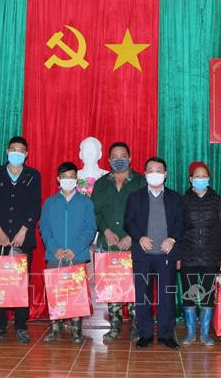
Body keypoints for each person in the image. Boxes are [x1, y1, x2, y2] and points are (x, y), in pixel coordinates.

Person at [0, 136, 41, 344]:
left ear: (26, 154)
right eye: (13, 149)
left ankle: (20, 326)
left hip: (22, 238)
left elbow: (35, 206)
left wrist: (24, 230)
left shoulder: (33, 175)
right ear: (7, 151)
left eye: (21, 150)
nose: (17, 153)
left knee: (20, 283)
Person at [125, 156, 184, 349]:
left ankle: (166, 334)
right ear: (145, 173)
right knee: (143, 296)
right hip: (143, 255)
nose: (155, 174)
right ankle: (146, 334)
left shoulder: (175, 198)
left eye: (159, 171)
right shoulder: (135, 197)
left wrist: (172, 239)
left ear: (165, 174)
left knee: (167, 296)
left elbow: (181, 222)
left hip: (166, 255)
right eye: (151, 171)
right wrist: (140, 237)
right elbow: (128, 222)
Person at [90, 142, 146, 341]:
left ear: (130, 158)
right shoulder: (101, 184)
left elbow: (147, 212)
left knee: (134, 284)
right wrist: (105, 230)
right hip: (109, 244)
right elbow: (94, 212)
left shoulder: (141, 182)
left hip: (134, 244)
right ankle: (114, 326)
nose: (119, 160)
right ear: (109, 160)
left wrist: (133, 236)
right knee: (112, 284)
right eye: (114, 157)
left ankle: (137, 325)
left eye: (123, 156)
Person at [40, 162, 97, 344]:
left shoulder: (86, 202)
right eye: (64, 177)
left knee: (76, 292)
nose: (68, 180)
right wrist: (54, 248)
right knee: (55, 291)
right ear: (58, 179)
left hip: (77, 255)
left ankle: (76, 330)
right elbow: (44, 228)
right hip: (54, 255)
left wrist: (76, 248)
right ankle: (55, 329)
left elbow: (90, 228)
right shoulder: (50, 202)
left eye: (72, 177)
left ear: (76, 179)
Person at [179, 162, 221, 346]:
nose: (201, 179)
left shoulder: (216, 200)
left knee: (208, 295)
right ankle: (191, 333)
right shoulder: (183, 200)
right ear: (191, 179)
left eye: (204, 176)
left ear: (208, 179)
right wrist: (178, 256)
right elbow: (178, 230)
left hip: (211, 256)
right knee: (189, 295)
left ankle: (205, 333)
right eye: (197, 176)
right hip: (188, 256)